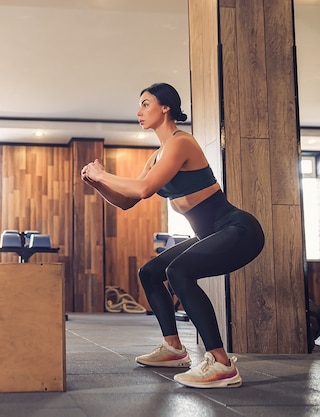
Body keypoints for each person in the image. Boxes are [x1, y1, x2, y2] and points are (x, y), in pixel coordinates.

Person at [80, 82, 264, 389]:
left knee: (178, 271)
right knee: (150, 272)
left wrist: (103, 173)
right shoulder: (154, 157)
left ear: (166, 107)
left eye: (146, 104)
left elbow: (144, 189)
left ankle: (221, 364)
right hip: (209, 233)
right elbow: (127, 201)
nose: (139, 112)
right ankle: (173, 349)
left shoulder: (181, 143)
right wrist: (97, 184)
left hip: (238, 229)